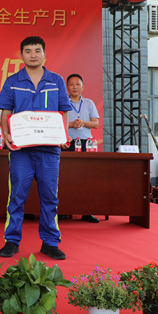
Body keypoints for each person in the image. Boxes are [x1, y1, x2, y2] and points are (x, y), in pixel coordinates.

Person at [0, 36, 71, 261]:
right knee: (16, 196)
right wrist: (6, 134)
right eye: (28, 51)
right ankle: (11, 241)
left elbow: (64, 111)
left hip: (49, 150)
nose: (33, 55)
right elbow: (5, 112)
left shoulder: (56, 80)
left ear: (44, 54)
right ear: (21, 55)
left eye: (37, 50)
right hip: (21, 151)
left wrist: (63, 134)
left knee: (50, 197)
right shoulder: (12, 81)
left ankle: (50, 242)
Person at [62, 73, 101, 223]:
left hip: (86, 144)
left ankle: (87, 212)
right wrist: (72, 124)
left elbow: (95, 123)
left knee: (87, 178)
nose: (75, 87)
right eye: (71, 84)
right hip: (67, 143)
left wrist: (83, 123)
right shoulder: (62, 102)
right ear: (67, 87)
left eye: (77, 84)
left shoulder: (89, 103)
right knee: (66, 177)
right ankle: (64, 210)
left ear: (83, 86)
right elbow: (58, 121)